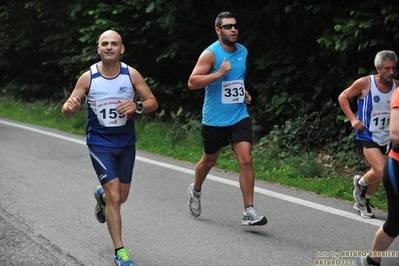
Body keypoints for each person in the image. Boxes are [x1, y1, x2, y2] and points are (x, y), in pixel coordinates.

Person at [61, 30, 158, 266]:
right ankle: (120, 252)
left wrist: (136, 106)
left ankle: (100, 196)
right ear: (98, 49)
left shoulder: (131, 74)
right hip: (100, 143)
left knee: (120, 197)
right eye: (104, 44)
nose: (109, 47)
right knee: (115, 197)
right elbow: (67, 109)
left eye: (114, 44)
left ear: (121, 49)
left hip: (126, 143)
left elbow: (152, 102)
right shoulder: (88, 77)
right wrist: (69, 106)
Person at [186, 11, 267, 226]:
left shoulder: (243, 51)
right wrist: (218, 74)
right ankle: (195, 190)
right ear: (218, 30)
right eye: (228, 26)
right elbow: (192, 82)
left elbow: (236, 80)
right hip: (214, 119)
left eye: (235, 26)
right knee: (209, 161)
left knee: (246, 159)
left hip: (239, 114)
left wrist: (244, 93)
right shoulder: (210, 54)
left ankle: (248, 210)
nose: (233, 30)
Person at [338, 50, 398, 219]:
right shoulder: (365, 83)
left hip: (388, 137)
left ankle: (362, 197)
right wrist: (352, 119)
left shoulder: (397, 86)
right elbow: (343, 97)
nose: (391, 72)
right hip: (367, 134)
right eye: (387, 69)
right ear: (378, 68)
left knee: (378, 172)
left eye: (393, 68)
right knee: (383, 172)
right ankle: (362, 189)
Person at [360, 84, 399, 266]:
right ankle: (371, 260)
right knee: (395, 222)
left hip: (385, 144)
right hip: (395, 162)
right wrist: (353, 119)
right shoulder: (398, 93)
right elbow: (396, 135)